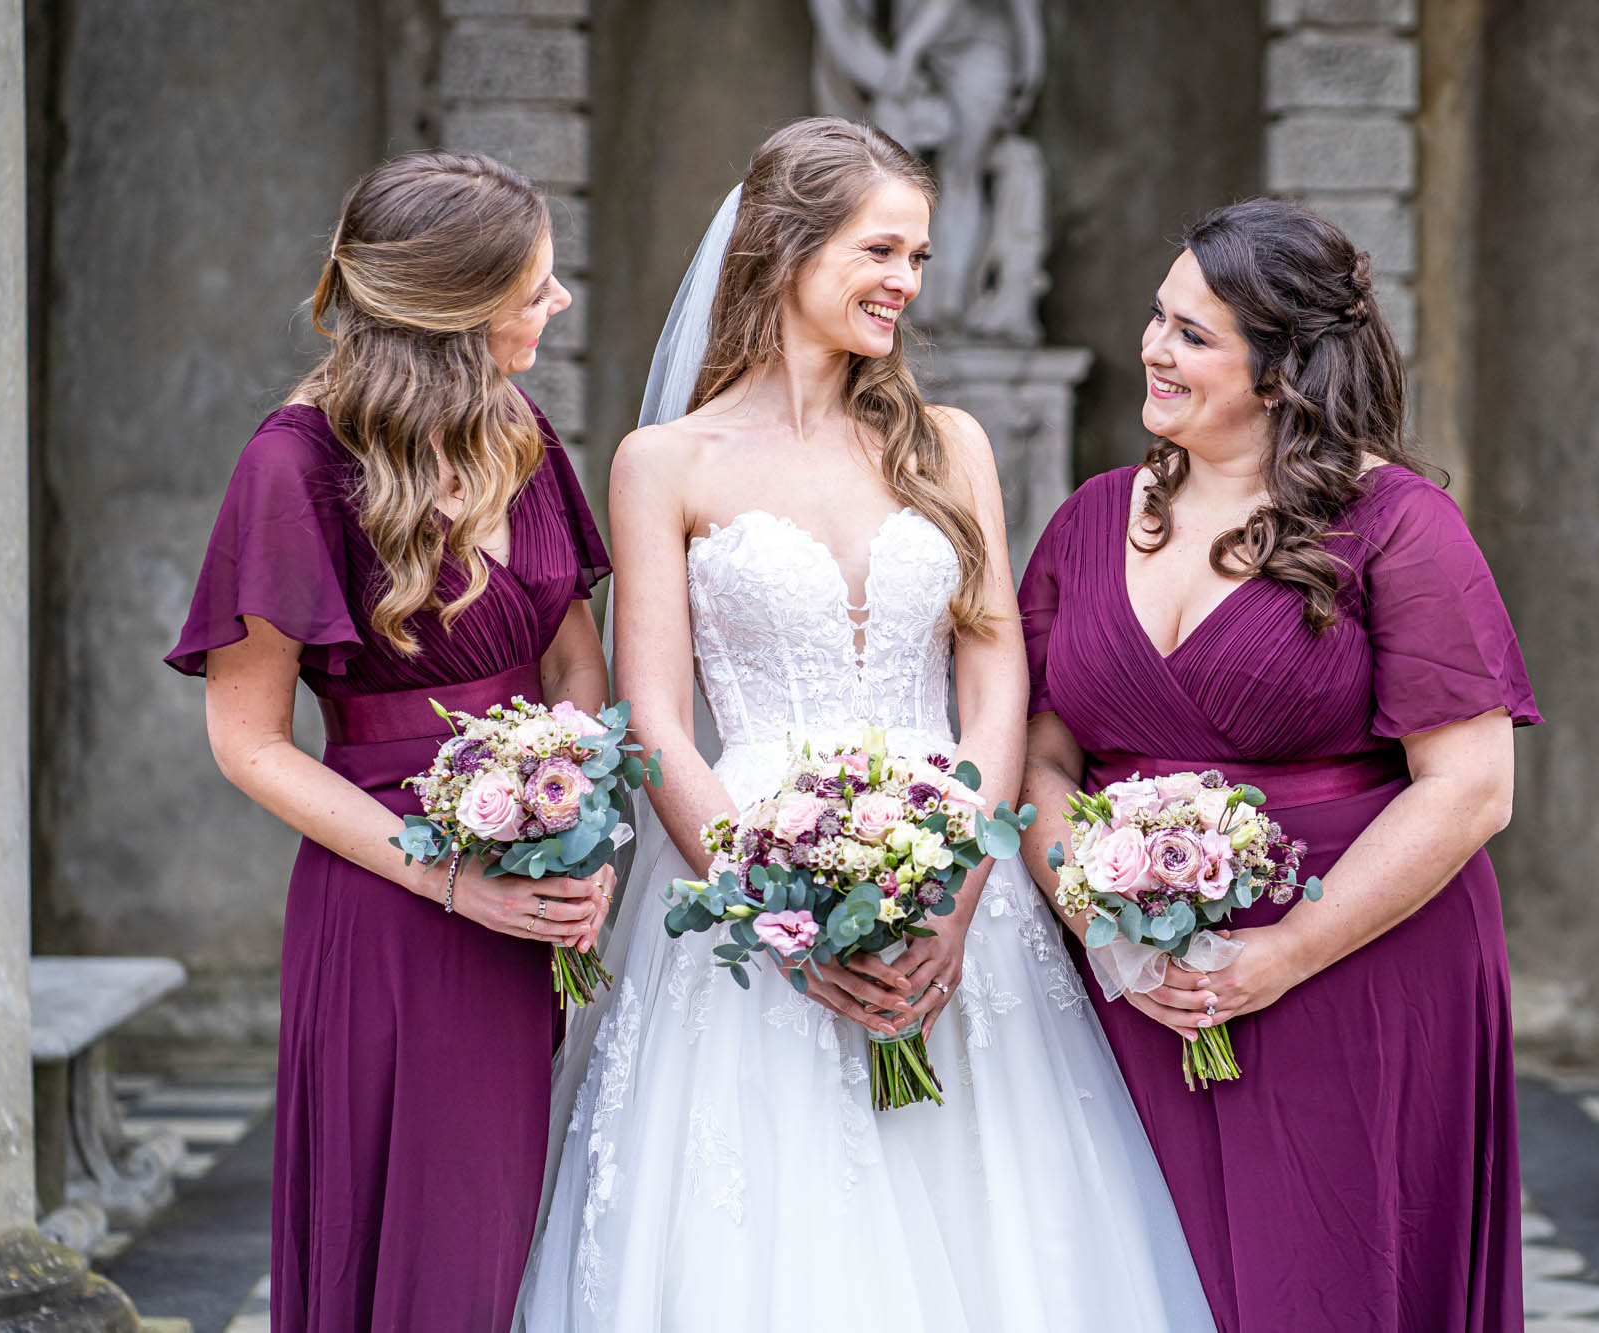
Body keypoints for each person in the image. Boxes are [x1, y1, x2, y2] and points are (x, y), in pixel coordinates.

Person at [517, 117, 1211, 1333]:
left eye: (918, 257)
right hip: (741, 874)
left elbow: (995, 682)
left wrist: (958, 892)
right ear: (787, 246)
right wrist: (774, 910)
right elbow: (654, 716)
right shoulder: (662, 461)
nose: (907, 281)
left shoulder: (949, 446)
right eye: (879, 251)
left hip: (955, 868)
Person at [1017, 197, 1538, 1333]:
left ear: (1281, 369)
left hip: (1353, 969)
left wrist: (1283, 952)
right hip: (1136, 985)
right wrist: (1102, 927)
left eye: (1192, 334)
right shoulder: (1087, 519)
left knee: (1326, 1280)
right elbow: (1039, 760)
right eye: (1157, 318)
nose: (1153, 348)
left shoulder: (1397, 524)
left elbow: (1471, 787)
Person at [165, 151, 614, 1333]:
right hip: (388, 904)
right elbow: (248, 741)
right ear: (456, 308)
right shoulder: (293, 465)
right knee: (424, 1251)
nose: (558, 301)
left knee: (523, 1239)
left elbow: (573, 664)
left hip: (536, 893)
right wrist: (452, 879)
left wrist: (580, 825)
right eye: (535, 286)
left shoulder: (520, 431)